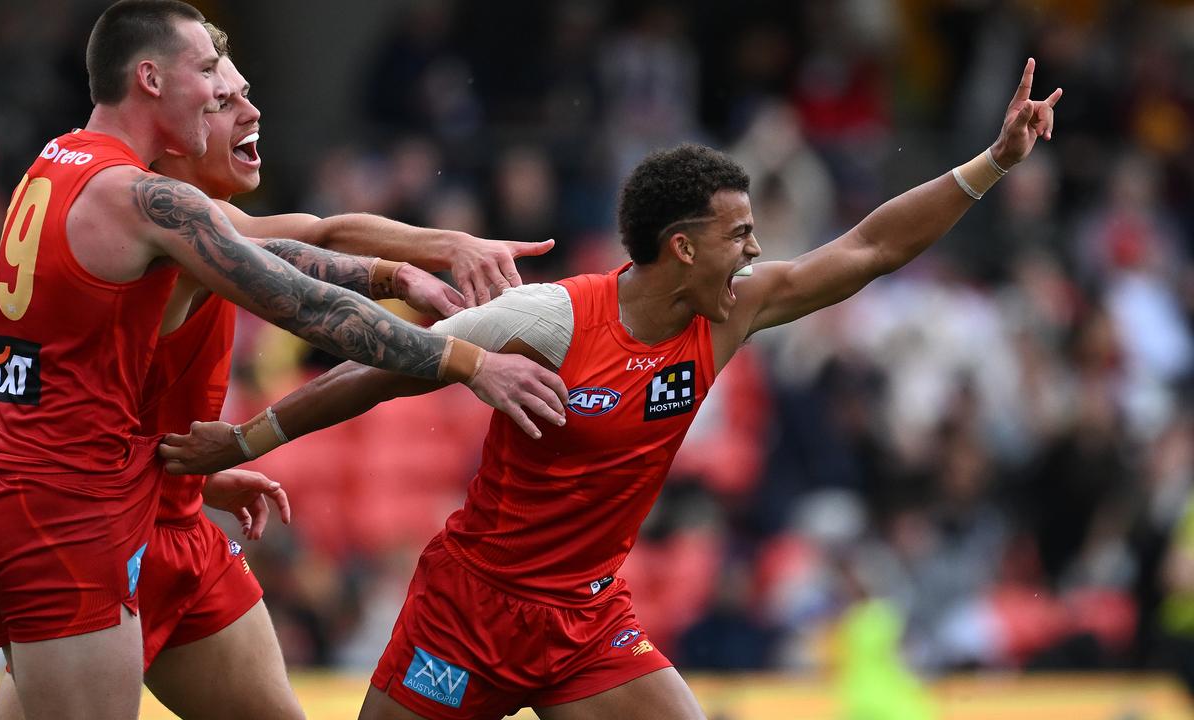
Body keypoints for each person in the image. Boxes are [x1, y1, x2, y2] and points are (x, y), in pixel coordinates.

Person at [164, 61, 1059, 719]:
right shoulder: (556, 319)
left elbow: (868, 250)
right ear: (682, 247)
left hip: (587, 618)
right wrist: (245, 442)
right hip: (471, 608)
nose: (754, 251)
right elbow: (382, 369)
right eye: (738, 234)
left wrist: (991, 164)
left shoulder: (731, 314)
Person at [0, 2, 566, 719]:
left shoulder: (72, 165)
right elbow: (300, 301)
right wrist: (471, 364)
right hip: (64, 511)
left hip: (114, 496)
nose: (225, 94)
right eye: (209, 74)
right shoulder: (145, 200)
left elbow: (299, 239)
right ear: (149, 78)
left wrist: (419, 259)